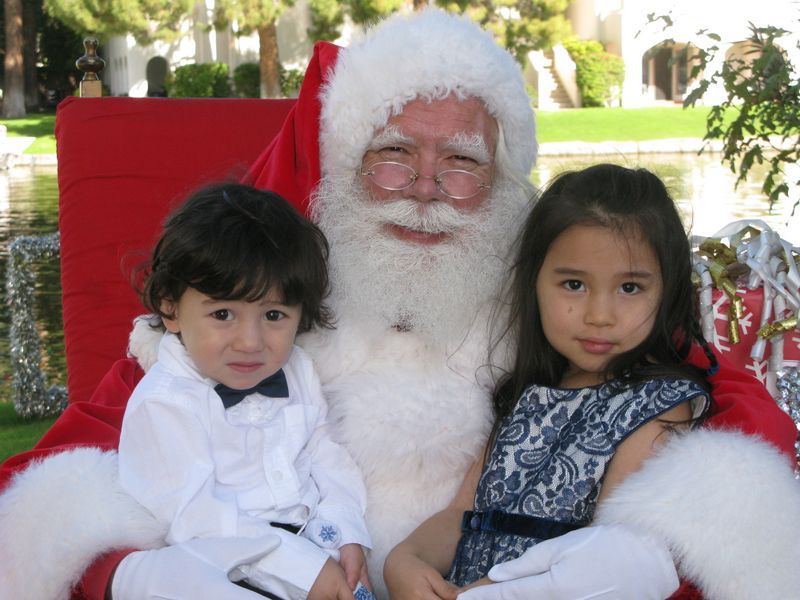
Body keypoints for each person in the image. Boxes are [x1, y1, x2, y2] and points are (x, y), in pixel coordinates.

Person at [0, 8, 798, 600]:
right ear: (345, 164)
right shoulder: (265, 301)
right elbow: (101, 438)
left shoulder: (555, 302)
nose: (423, 188)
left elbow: (700, 386)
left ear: (503, 182)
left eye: (459, 161)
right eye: (391, 155)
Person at [384, 163, 716, 598]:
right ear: (535, 282)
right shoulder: (525, 394)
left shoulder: (656, 406)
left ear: (667, 290)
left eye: (630, 288)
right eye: (574, 284)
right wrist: (406, 558)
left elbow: (607, 556)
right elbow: (463, 512)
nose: (600, 314)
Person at [117, 183, 373, 600]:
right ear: (170, 308)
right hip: (223, 569)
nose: (251, 341)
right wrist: (305, 571)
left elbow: (326, 453)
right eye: (223, 314)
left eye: (273, 315)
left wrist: (344, 534)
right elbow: (196, 518)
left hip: (315, 551)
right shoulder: (165, 402)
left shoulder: (298, 370)